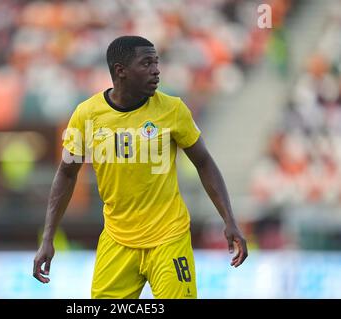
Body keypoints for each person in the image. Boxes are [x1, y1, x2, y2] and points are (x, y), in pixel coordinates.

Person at [33, 35, 248, 299]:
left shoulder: (173, 110)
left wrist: (229, 220)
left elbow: (204, 163)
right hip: (117, 240)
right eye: (146, 63)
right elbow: (66, 174)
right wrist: (48, 238)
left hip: (169, 237)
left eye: (156, 62)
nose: (156, 70)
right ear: (120, 71)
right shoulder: (87, 115)